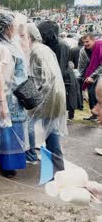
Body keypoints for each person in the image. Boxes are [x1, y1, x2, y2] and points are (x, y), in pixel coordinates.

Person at [0, 11, 29, 179]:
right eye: (13, 25)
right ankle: (5, 164)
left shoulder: (11, 46)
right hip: (7, 97)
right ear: (7, 27)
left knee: (5, 129)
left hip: (14, 97)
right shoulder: (2, 49)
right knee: (7, 130)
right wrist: (2, 102)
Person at [23, 23, 67, 173]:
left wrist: (34, 94)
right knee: (51, 130)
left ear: (29, 37)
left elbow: (46, 77)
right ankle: (57, 164)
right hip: (54, 95)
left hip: (47, 96)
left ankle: (31, 155)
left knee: (28, 123)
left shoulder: (36, 51)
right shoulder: (44, 49)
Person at [38, 21, 78, 123]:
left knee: (54, 114)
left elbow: (58, 68)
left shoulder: (60, 46)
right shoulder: (52, 44)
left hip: (62, 79)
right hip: (55, 78)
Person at [79, 34, 102, 120]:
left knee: (94, 92)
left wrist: (93, 76)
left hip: (99, 73)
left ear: (93, 40)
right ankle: (94, 114)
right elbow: (81, 65)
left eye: (87, 41)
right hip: (90, 73)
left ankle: (97, 114)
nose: (85, 44)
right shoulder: (83, 50)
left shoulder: (99, 46)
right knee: (91, 93)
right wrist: (80, 77)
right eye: (84, 42)